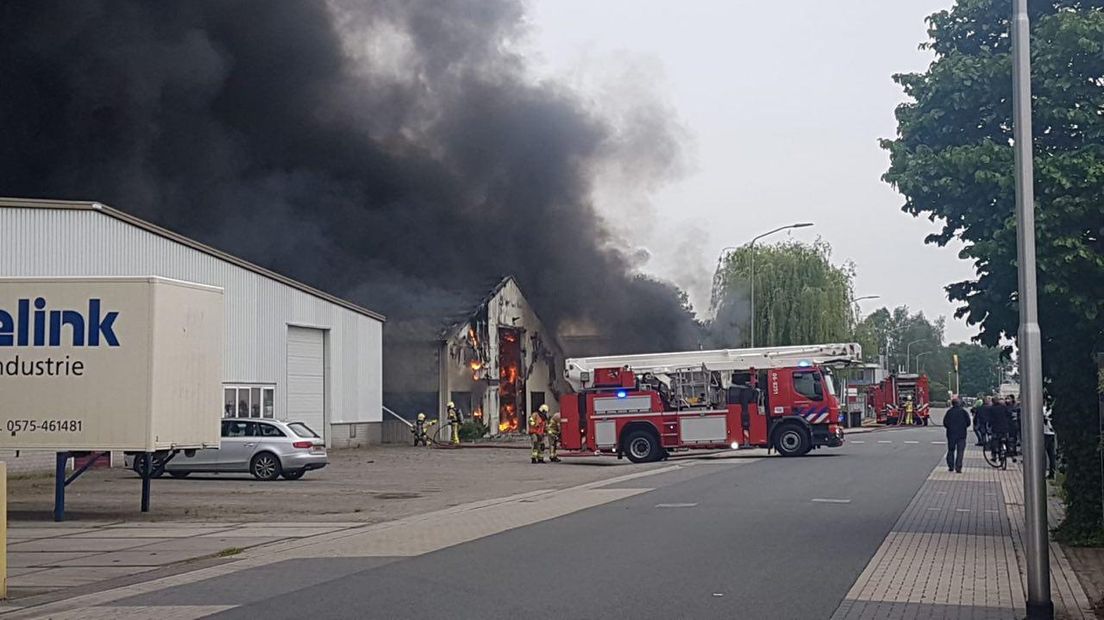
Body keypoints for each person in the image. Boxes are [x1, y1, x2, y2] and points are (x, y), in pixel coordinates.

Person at [943, 397, 971, 473]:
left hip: (951, 433)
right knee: (960, 451)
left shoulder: (949, 412)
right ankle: (958, 467)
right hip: (961, 434)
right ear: (959, 403)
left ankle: (950, 466)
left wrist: (950, 428)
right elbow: (968, 423)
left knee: (951, 450)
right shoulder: (963, 412)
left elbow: (945, 422)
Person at [987, 395, 1013, 461]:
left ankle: (994, 456)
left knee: (994, 441)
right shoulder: (1004, 407)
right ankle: (1009, 452)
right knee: (1006, 439)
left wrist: (989, 426)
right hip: (1005, 427)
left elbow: (990, 419)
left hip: (996, 428)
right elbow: (1009, 415)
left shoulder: (991, 409)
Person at [1043, 406, 1057, 479]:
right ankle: (1052, 473)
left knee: (1043, 454)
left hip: (1046, 433)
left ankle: (1044, 471)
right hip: (1051, 433)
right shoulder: (1051, 410)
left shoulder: (1043, 409)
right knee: (1051, 455)